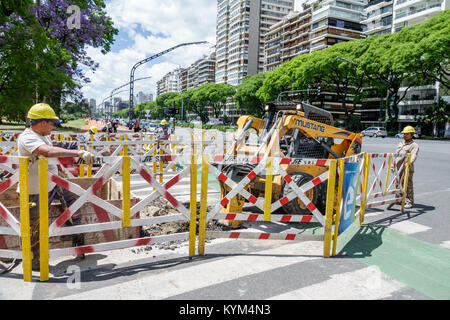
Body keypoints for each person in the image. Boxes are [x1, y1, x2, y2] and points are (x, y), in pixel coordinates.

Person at [18, 103, 95, 270]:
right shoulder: (28, 137)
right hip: (35, 190)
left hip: (53, 183)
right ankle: (34, 263)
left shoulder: (43, 135)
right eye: (52, 123)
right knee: (35, 228)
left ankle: (76, 242)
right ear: (42, 122)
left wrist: (59, 169)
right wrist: (77, 153)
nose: (54, 126)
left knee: (74, 206)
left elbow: (51, 151)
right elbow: (46, 151)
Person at [388, 125, 419, 210]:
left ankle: (409, 201)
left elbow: (413, 156)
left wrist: (408, 163)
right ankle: (398, 199)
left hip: (407, 168)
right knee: (398, 184)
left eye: (407, 134)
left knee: (407, 185)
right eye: (404, 134)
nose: (404, 135)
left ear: (411, 135)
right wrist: (392, 165)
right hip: (398, 168)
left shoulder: (414, 145)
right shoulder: (401, 143)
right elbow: (396, 155)